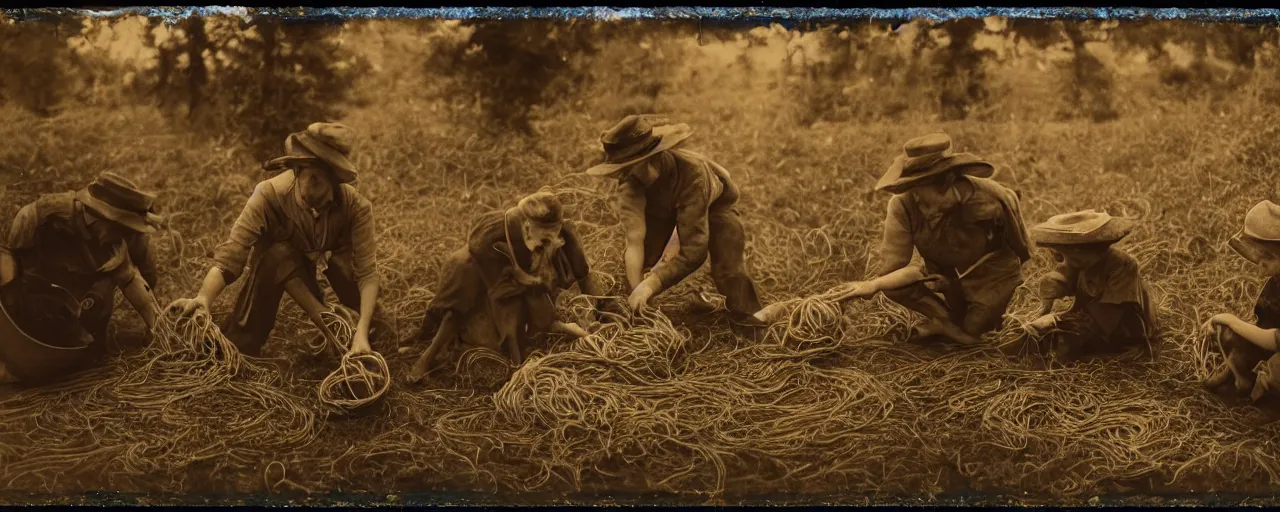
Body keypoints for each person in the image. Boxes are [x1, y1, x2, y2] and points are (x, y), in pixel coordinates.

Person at [169, 122, 391, 358]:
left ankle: (362, 332)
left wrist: (362, 332)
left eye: (326, 181)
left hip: (326, 267)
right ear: (296, 172)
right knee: (277, 257)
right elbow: (231, 254)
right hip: (275, 266)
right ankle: (243, 341)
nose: (321, 190)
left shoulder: (355, 207)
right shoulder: (267, 195)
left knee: (363, 311)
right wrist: (204, 297)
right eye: (313, 179)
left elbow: (367, 273)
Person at [583, 115, 779, 327]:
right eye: (622, 170)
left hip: (715, 208)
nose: (625, 176)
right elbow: (634, 241)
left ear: (653, 159)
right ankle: (644, 315)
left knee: (728, 264)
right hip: (662, 212)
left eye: (631, 168)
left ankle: (749, 317)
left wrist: (652, 283)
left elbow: (694, 249)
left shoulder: (693, 172)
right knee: (642, 268)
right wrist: (637, 290)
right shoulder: (630, 186)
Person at [836, 133, 1031, 345]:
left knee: (974, 331)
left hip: (993, 275)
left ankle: (960, 326)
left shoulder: (992, 198)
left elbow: (1020, 252)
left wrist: (1001, 296)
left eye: (922, 191)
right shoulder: (902, 205)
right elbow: (897, 268)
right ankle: (943, 320)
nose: (916, 199)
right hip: (942, 275)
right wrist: (871, 285)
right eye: (911, 189)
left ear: (948, 182)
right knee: (891, 284)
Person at [406, 191, 608, 383]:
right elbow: (503, 298)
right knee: (463, 299)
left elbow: (584, 275)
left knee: (534, 320)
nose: (548, 245)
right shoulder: (487, 238)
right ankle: (430, 352)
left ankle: (553, 327)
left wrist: (605, 311)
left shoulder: (563, 235)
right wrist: (518, 364)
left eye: (552, 239)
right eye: (543, 240)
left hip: (526, 282)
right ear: (527, 227)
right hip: (480, 274)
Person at [0, 172, 162, 384]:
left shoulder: (112, 242)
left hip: (75, 297)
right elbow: (9, 263)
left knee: (84, 347)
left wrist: (157, 327)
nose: (125, 237)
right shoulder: (38, 217)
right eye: (121, 229)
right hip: (30, 288)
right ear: (101, 218)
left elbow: (130, 281)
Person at [998, 210, 1158, 364]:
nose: (1065, 262)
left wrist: (1058, 321)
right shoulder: (1077, 262)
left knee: (1062, 339)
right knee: (1033, 335)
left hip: (1121, 327)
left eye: (1069, 256)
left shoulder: (1123, 265)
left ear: (1085, 250)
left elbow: (1108, 314)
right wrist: (1054, 285)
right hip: (1089, 318)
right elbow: (1064, 278)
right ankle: (1020, 349)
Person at [1201, 200, 1280, 398]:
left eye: (1265, 257)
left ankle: (1264, 401)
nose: (1259, 264)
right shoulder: (1275, 282)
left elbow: (1275, 340)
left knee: (1276, 368)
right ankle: (1238, 376)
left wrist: (1232, 320)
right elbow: (1264, 326)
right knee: (1229, 333)